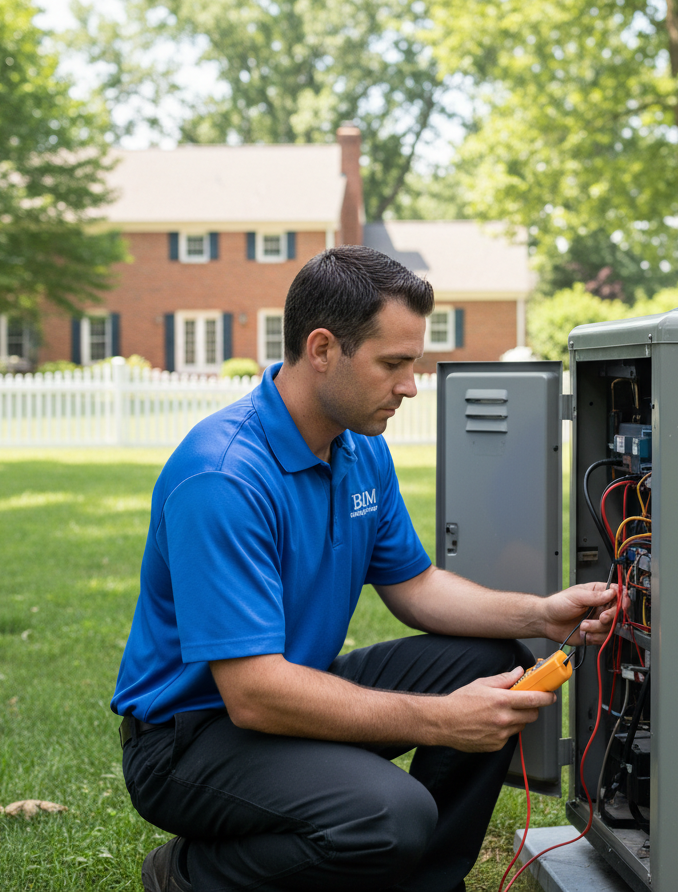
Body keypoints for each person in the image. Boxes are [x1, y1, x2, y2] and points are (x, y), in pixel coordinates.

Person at [112, 246, 619, 892]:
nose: (410, 385)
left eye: (414, 363)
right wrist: (440, 720)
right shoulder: (223, 477)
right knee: (389, 814)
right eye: (394, 364)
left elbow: (414, 584)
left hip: (289, 688)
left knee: (493, 662)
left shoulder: (356, 449)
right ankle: (189, 875)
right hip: (189, 738)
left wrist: (540, 614)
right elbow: (253, 693)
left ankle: (423, 884)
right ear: (323, 348)